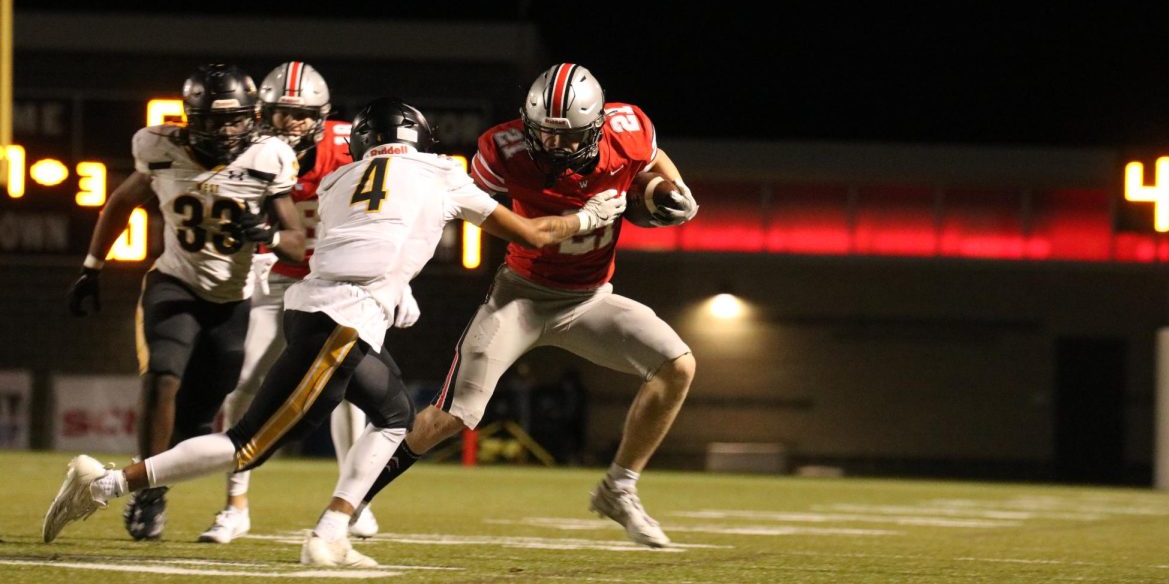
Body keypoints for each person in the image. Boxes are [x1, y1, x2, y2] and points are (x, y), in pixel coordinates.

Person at [44, 96, 628, 569]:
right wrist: (595, 214)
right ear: (419, 137)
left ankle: (330, 531)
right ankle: (102, 486)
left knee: (396, 415)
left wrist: (394, 290)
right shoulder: (440, 175)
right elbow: (535, 236)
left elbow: (365, 240)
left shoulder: (338, 179)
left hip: (323, 306)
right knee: (247, 444)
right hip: (342, 319)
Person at [354, 62, 699, 548]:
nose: (554, 146)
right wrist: (579, 220)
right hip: (520, 297)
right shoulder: (503, 150)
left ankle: (618, 489)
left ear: (598, 125)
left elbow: (653, 160)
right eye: (544, 134)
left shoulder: (630, 129)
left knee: (677, 366)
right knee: (451, 416)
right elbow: (468, 208)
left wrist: (677, 192)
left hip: (590, 300)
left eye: (567, 137)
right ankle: (355, 498)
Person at [64, 62, 307, 541]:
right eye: (216, 120)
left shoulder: (270, 156)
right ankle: (147, 497)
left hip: (233, 299)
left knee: (198, 421)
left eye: (237, 118)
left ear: (253, 116)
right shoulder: (159, 147)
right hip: (174, 284)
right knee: (162, 376)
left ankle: (153, 478)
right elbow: (120, 202)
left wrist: (269, 234)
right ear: (191, 116)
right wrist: (92, 266)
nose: (228, 129)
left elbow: (298, 241)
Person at [198, 61, 386, 544]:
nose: (293, 123)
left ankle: (354, 500)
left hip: (337, 280)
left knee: (349, 387)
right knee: (245, 381)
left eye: (303, 114)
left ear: (322, 115)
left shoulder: (351, 146)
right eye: (283, 113)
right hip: (279, 277)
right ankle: (235, 504)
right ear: (266, 113)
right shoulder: (252, 151)